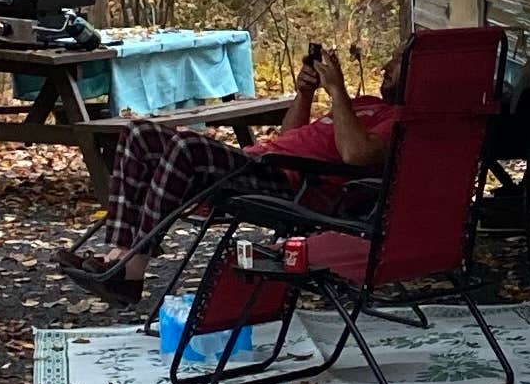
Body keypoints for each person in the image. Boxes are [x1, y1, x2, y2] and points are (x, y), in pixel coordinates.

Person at [86, 43, 402, 300]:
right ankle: (120, 253)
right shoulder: (366, 102)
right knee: (138, 133)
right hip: (265, 161)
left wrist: (337, 91)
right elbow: (289, 137)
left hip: (294, 183)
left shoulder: (401, 120)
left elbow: (356, 154)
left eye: (397, 60)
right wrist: (305, 94)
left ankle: (134, 266)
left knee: (186, 147)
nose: (386, 66)